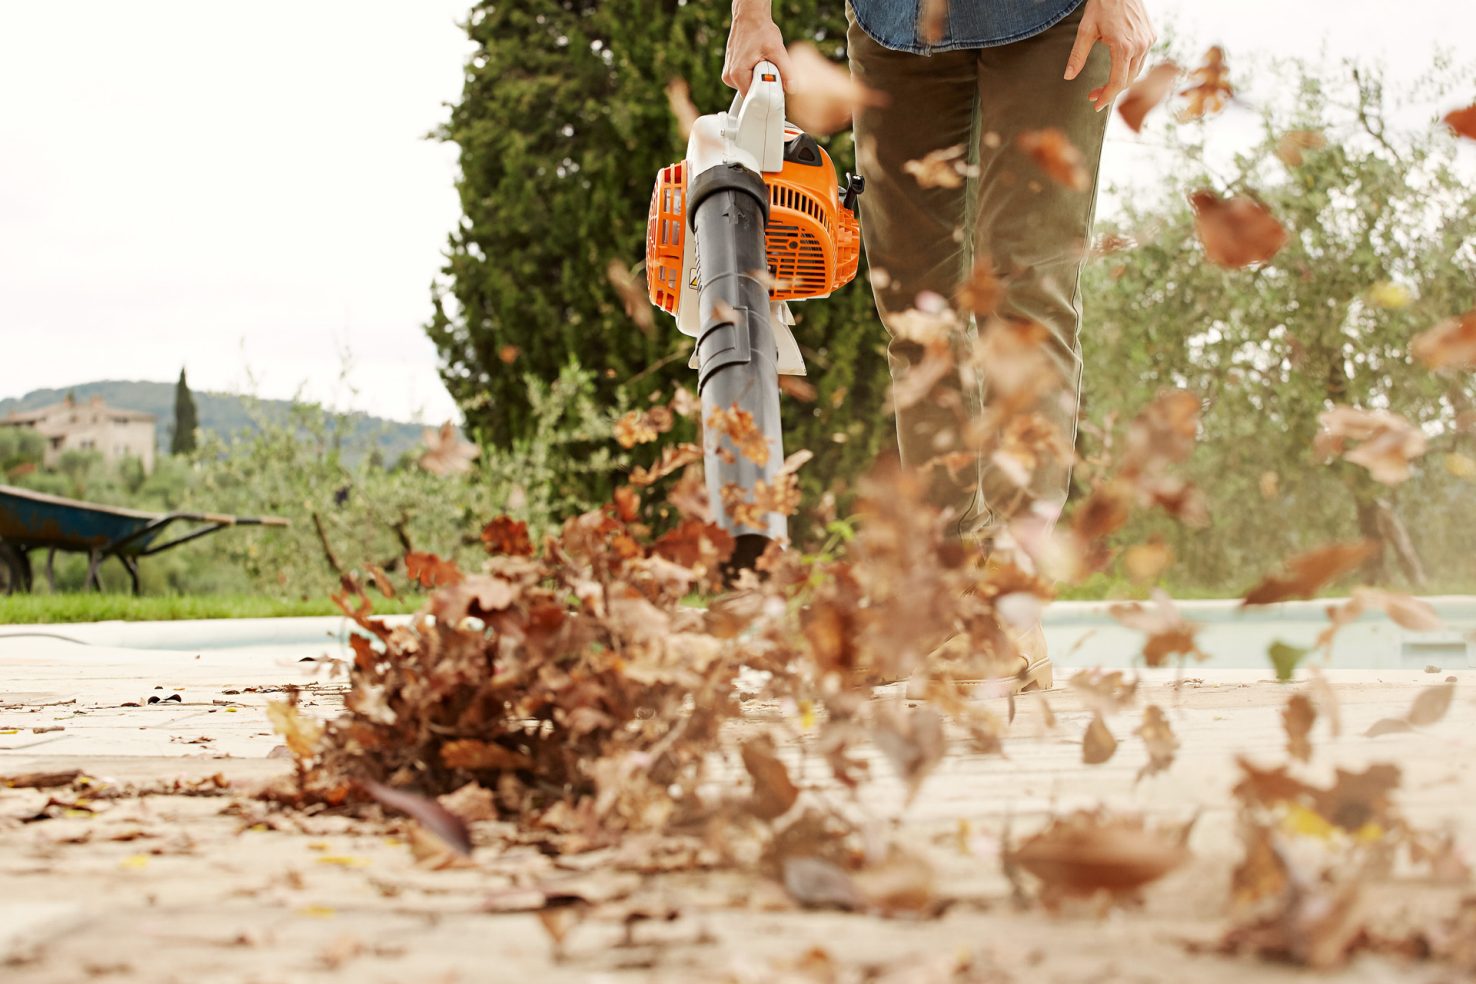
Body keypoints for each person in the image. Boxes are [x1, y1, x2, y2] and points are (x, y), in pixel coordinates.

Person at [724, 0, 1155, 690]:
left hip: (1053, 17)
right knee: (915, 315)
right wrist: (751, 14)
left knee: (1026, 293)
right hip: (895, 20)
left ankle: (1010, 600)